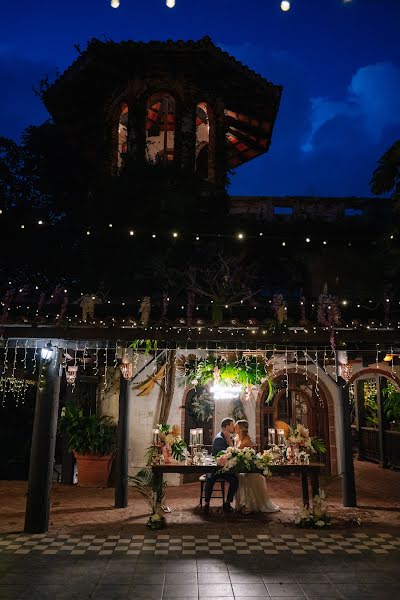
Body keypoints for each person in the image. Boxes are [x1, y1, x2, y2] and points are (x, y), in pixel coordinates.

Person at [235, 419, 280, 514]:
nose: (235, 428)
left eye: (236, 427)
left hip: (249, 467)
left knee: (247, 477)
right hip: (242, 467)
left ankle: (250, 505)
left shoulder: (247, 440)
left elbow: (245, 456)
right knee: (240, 476)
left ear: (241, 429)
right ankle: (243, 503)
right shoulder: (237, 439)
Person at [203, 417, 238, 513]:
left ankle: (227, 503)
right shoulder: (219, 438)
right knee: (210, 479)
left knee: (235, 480)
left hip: (225, 468)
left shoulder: (228, 437)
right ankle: (207, 503)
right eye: (232, 425)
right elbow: (220, 457)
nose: (234, 427)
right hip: (216, 468)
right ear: (226, 427)